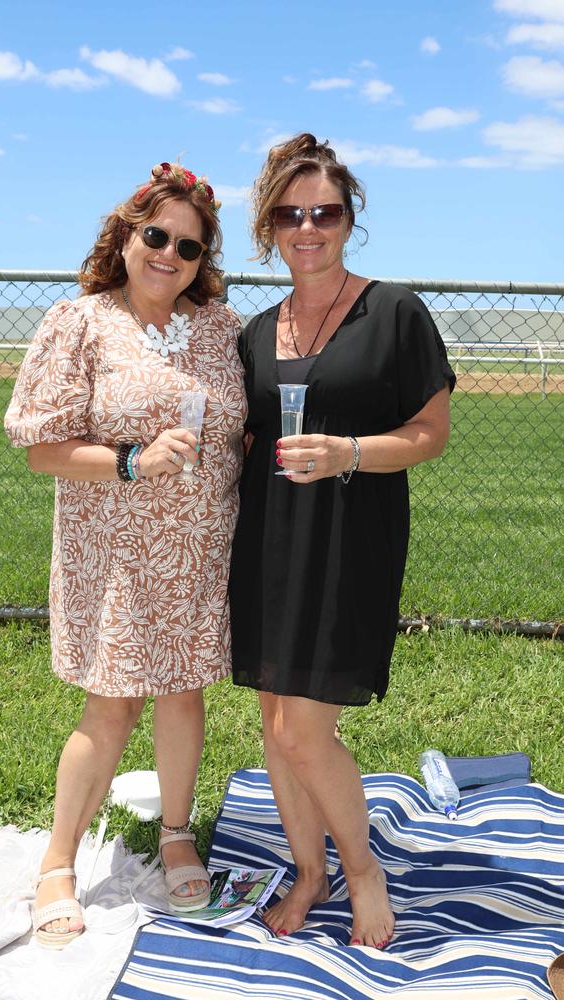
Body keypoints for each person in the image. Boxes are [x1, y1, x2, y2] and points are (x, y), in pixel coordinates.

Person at [4, 162, 246, 947]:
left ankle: (176, 831)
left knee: (182, 694)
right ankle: (58, 861)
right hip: (114, 552)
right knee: (110, 705)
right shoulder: (79, 321)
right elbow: (43, 449)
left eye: (190, 245)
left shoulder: (218, 327)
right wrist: (133, 460)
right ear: (126, 232)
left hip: (200, 550)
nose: (170, 254)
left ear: (204, 260)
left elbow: (239, 417)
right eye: (157, 235)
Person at [229, 133, 455, 948]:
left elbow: (430, 434)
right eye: (290, 214)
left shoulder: (394, 311)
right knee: (271, 723)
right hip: (267, 543)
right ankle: (310, 871)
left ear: (349, 218)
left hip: (351, 537)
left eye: (325, 211)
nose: (308, 227)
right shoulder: (257, 331)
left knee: (302, 730)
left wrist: (349, 453)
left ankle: (362, 871)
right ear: (270, 228)